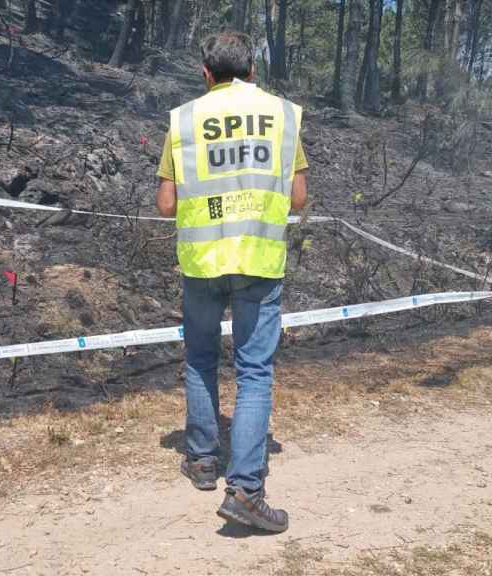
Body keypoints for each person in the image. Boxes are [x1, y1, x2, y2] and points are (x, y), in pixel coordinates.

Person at [155, 31, 308, 533]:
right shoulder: (282, 115)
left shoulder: (183, 120)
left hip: (202, 262)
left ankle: (201, 460)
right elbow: (299, 197)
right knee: (254, 372)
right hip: (259, 262)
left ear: (205, 74)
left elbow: (166, 205)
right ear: (254, 71)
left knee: (200, 358)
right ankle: (245, 489)